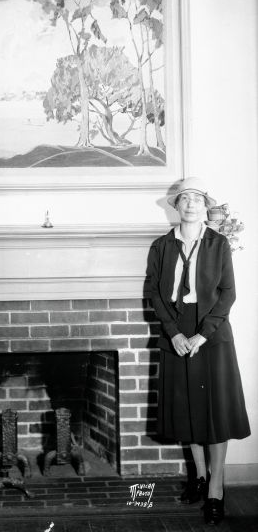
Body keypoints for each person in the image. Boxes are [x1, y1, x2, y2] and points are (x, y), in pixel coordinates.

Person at [147, 177, 250, 525]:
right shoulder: (161, 246)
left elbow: (228, 294)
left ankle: (217, 489)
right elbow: (156, 295)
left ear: (206, 206)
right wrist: (174, 333)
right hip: (176, 332)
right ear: (176, 206)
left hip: (212, 334)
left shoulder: (218, 244)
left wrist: (202, 335)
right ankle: (201, 477)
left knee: (215, 413)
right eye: (184, 198)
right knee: (189, 410)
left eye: (197, 198)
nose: (190, 204)